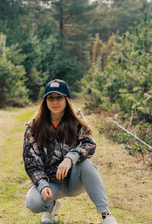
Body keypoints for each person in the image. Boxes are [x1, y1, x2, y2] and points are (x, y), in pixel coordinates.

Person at [23, 79, 118, 224]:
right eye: (51, 98)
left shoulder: (76, 120)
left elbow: (89, 143)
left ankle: (106, 215)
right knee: (33, 202)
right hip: (49, 182)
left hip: (74, 180)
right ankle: (51, 207)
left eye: (59, 97)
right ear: (45, 101)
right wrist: (42, 185)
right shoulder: (34, 126)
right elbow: (31, 161)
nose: (55, 102)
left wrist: (70, 157)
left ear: (67, 99)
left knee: (87, 164)